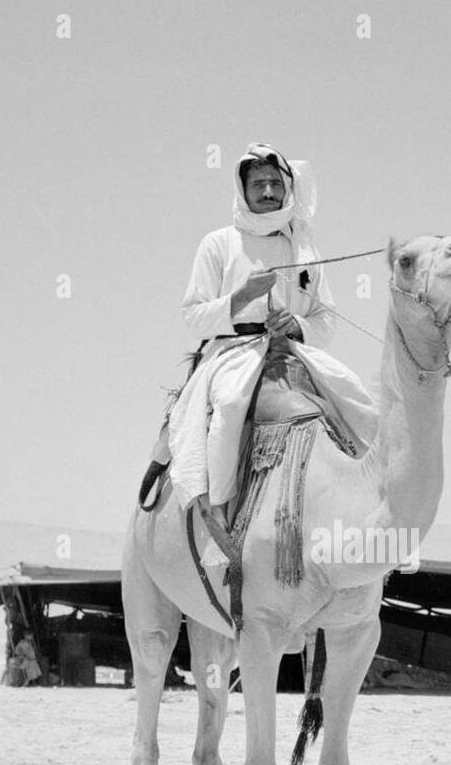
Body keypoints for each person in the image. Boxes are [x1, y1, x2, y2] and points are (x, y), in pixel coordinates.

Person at [142, 144, 377, 525]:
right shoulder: (218, 243)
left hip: (291, 352)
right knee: (232, 404)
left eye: (274, 183)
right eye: (258, 184)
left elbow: (326, 319)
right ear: (243, 188)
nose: (267, 192)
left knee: (358, 404)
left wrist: (297, 326)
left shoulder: (303, 247)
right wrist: (241, 298)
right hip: (233, 352)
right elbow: (193, 317)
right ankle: (218, 513)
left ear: (287, 188)